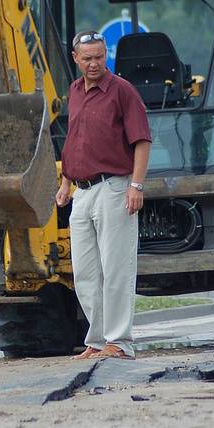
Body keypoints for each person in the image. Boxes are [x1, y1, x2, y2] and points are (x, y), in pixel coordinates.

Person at [55, 30, 151, 360]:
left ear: (105, 54)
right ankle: (95, 341)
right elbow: (75, 140)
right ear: (75, 59)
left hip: (114, 187)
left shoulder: (122, 91)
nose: (94, 63)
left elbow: (142, 140)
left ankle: (119, 341)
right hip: (81, 191)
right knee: (84, 272)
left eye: (100, 56)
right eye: (88, 58)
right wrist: (65, 183)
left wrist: (136, 186)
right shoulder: (75, 91)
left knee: (116, 267)